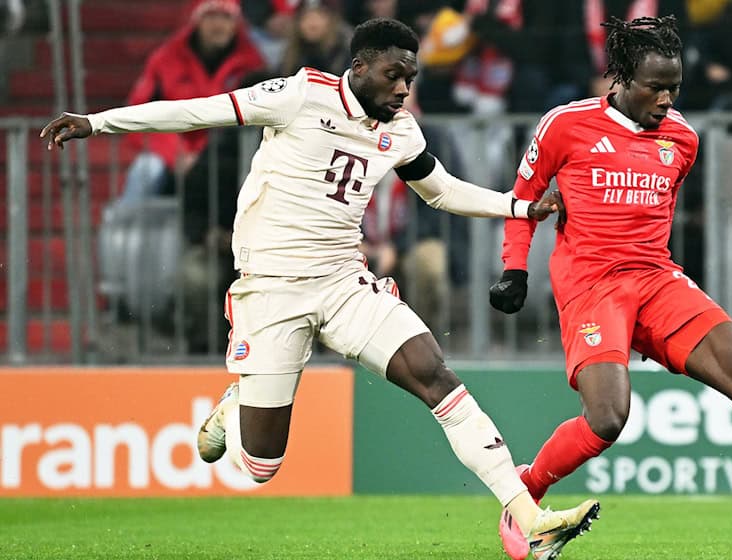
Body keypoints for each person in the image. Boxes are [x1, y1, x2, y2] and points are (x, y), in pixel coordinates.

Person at [41, 17, 599, 560]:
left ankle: (530, 519)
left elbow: (441, 191)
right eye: (393, 75)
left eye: (411, 77)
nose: (403, 88)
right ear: (360, 67)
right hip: (273, 288)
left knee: (435, 375)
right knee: (260, 466)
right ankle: (235, 406)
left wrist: (520, 205)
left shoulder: (401, 130)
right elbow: (197, 112)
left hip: (342, 280)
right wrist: (97, 122)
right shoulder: (301, 94)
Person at [489, 15, 732, 560]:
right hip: (592, 284)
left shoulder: (682, 139)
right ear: (623, 78)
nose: (666, 98)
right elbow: (522, 200)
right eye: (655, 86)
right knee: (608, 418)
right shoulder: (564, 124)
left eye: (674, 87)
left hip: (655, 277)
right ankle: (527, 496)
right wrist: (515, 268)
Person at [116, 0, 264, 205]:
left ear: (236, 22)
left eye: (226, 17)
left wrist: (206, 157)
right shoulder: (166, 59)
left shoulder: (252, 63)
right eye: (211, 16)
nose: (218, 25)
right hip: (172, 155)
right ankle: (127, 235)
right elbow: (136, 114)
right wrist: (176, 153)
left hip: (226, 157)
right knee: (146, 170)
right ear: (197, 20)